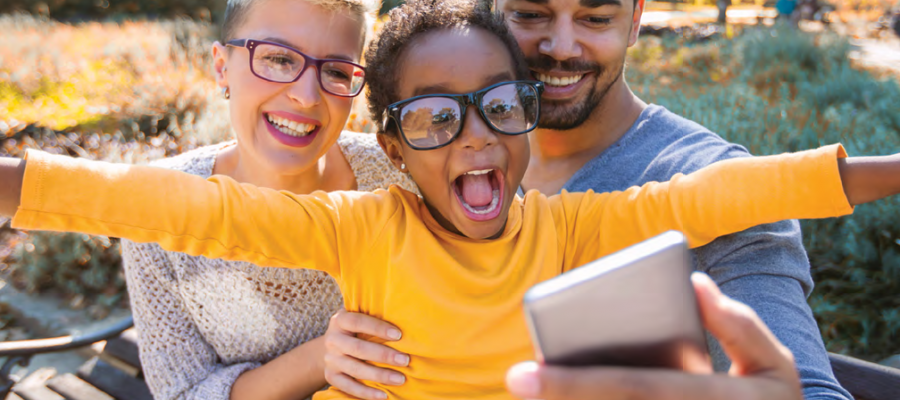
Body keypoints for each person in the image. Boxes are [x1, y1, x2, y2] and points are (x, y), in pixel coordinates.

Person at [2, 1, 900, 399]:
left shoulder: (572, 220)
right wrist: (17, 183)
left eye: (498, 111)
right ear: (389, 144)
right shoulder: (363, 221)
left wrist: (882, 168)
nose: (474, 139)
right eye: (436, 120)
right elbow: (175, 208)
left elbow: (728, 194)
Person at [482, 0, 854, 398]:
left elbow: (806, 386)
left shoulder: (719, 193)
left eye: (596, 19)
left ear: (635, 20)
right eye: (530, 14)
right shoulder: (443, 152)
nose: (561, 47)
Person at [98, 0, 418, 398]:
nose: (305, 95)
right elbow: (182, 393)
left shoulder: (400, 175)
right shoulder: (157, 208)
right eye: (278, 59)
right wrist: (321, 357)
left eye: (335, 71)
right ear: (221, 67)